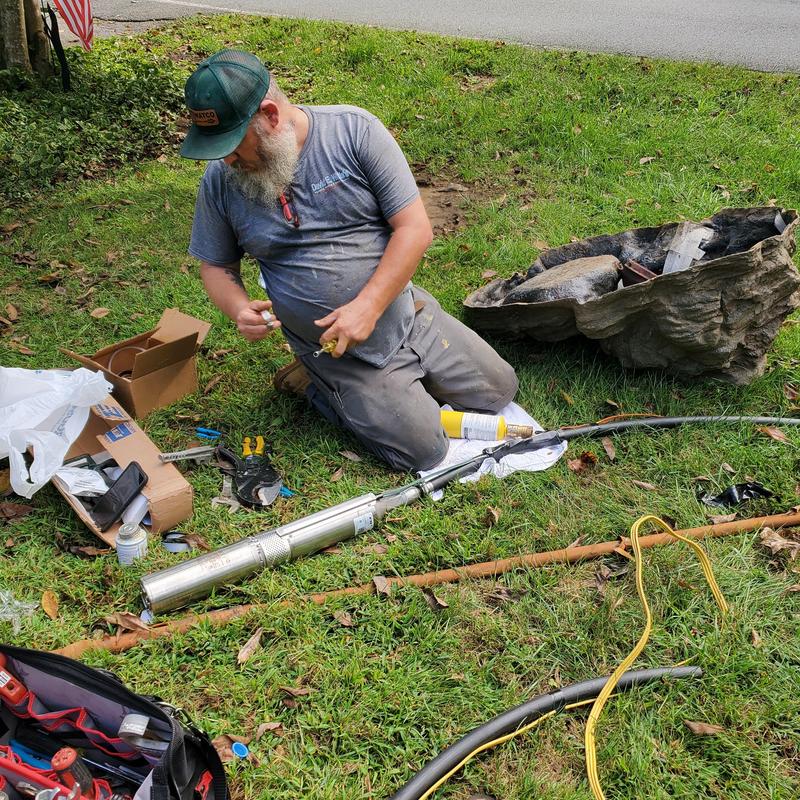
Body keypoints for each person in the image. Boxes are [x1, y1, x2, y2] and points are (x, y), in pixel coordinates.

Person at [181, 49, 518, 471]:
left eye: (232, 144)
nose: (227, 158)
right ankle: (316, 382)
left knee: (499, 390)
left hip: (405, 313)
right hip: (334, 350)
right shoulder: (221, 180)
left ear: (270, 115)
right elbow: (216, 266)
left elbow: (414, 229)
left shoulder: (354, 132)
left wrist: (368, 306)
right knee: (423, 450)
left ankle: (407, 371)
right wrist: (238, 308)